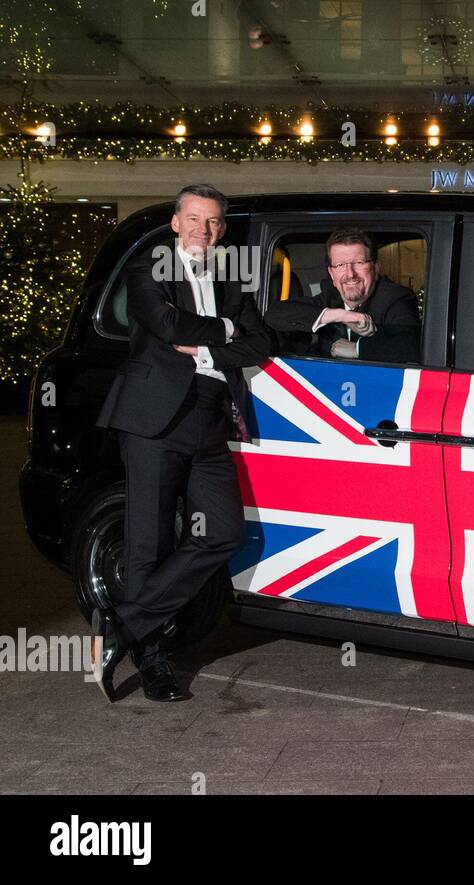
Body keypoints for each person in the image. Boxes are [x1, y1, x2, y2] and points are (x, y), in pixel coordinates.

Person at [93, 183, 271, 702]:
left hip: (211, 421)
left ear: (222, 229)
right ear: (176, 223)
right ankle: (153, 662)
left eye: (213, 222)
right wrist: (227, 329)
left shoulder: (232, 278)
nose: (203, 230)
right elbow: (165, 322)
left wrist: (211, 347)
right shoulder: (148, 267)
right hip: (153, 421)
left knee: (222, 533)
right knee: (149, 543)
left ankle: (123, 623)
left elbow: (261, 342)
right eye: (194, 219)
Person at [264, 227, 420, 363]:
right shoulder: (329, 297)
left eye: (359, 263)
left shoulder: (395, 297)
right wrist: (341, 315)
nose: (350, 274)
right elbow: (274, 315)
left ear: (376, 268)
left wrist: (358, 349)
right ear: (331, 274)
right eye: (340, 265)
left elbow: (412, 345)